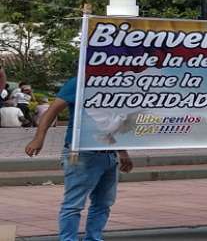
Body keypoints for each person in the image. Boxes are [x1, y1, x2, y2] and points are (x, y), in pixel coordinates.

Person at [25, 76, 133, 240]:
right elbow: (52, 111)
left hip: (109, 153)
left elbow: (112, 124)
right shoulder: (79, 81)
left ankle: (94, 238)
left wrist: (122, 152)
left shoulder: (114, 83)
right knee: (73, 205)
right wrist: (38, 138)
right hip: (82, 153)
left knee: (103, 204)